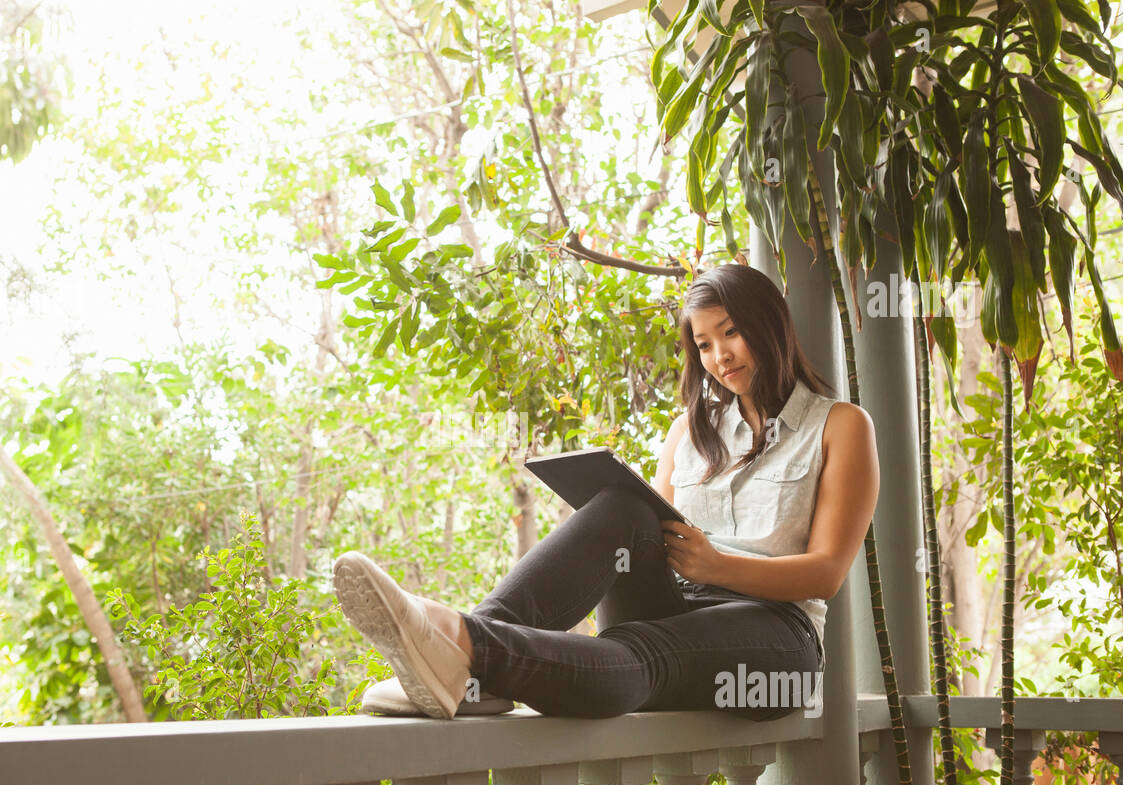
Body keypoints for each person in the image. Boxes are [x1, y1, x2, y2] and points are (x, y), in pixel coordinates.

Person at [333, 262, 880, 721]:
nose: (720, 357)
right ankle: (468, 660)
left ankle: (463, 644)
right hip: (676, 607)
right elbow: (652, 533)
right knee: (625, 505)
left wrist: (716, 568)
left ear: (770, 325)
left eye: (731, 333)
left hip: (774, 638)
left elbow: (826, 572)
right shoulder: (689, 431)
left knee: (643, 651)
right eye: (704, 343)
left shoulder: (840, 426)